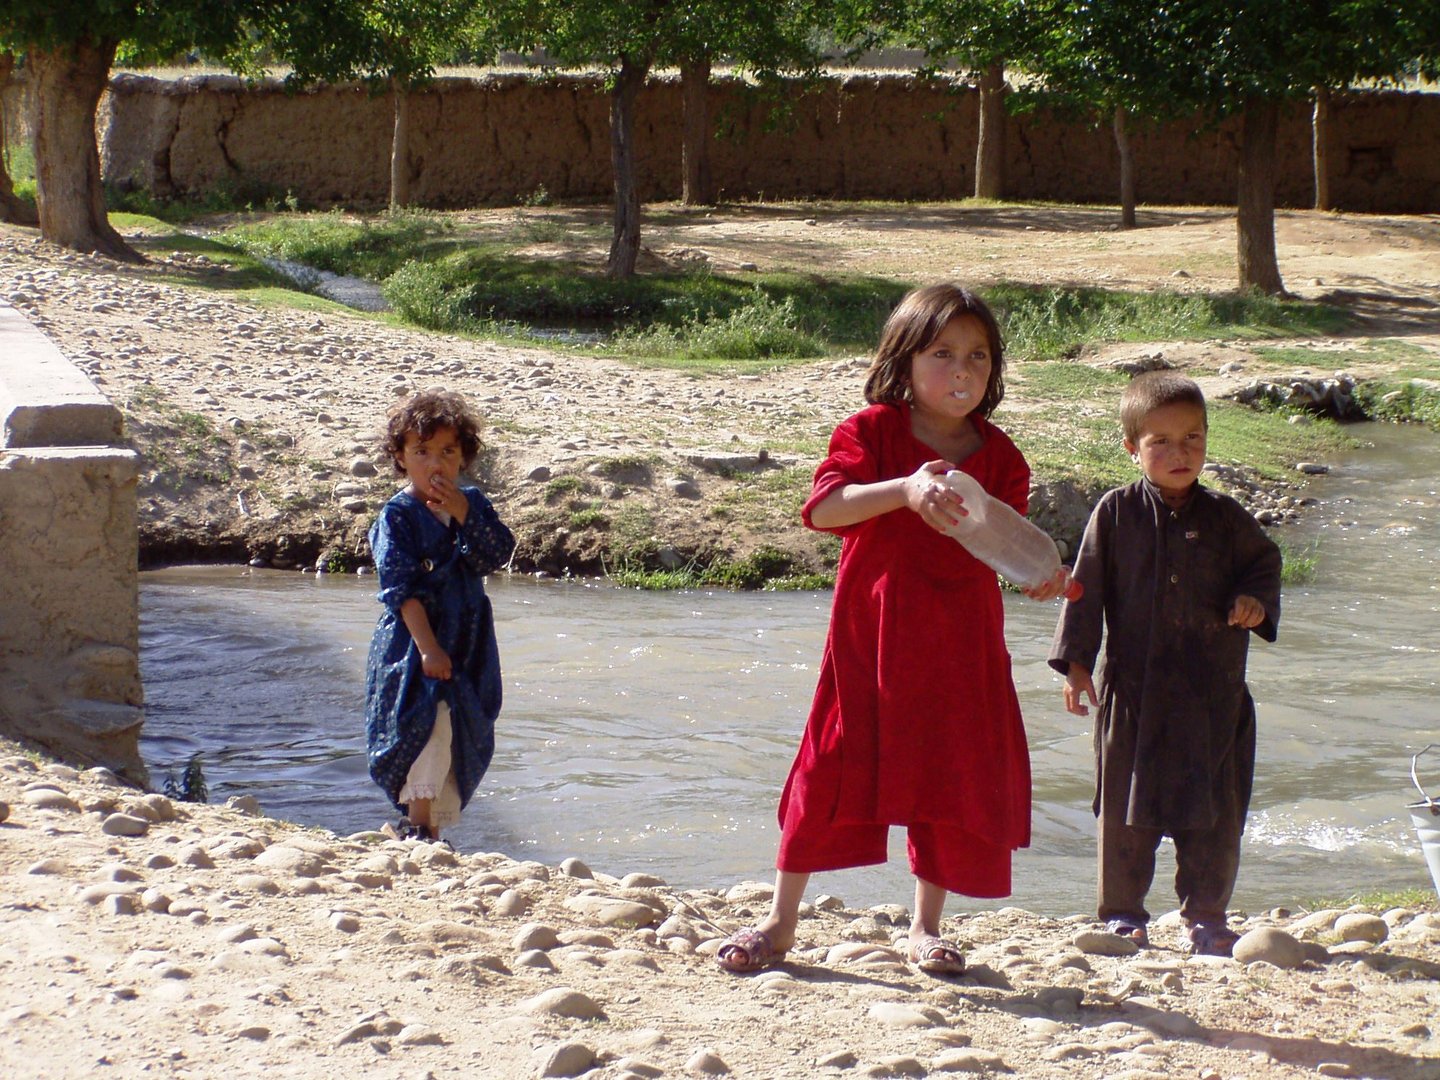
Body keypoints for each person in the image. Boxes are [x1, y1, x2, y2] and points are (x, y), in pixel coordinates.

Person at [716, 283, 1070, 975]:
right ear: (903, 361)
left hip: (960, 649)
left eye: (978, 356)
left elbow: (1008, 548)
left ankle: (924, 929)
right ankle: (781, 921)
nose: (962, 371)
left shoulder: (1001, 459)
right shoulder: (871, 432)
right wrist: (904, 489)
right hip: (867, 643)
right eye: (942, 354)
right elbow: (825, 509)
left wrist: (1041, 578)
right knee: (826, 769)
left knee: (946, 778)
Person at [1049, 370, 1281, 957]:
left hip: (1215, 696)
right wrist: (1077, 666)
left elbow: (1264, 565)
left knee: (1216, 814)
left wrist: (1253, 602)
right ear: (1132, 449)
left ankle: (1206, 915)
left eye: (1194, 439)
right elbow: (1086, 590)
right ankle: (1124, 914)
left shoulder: (1229, 519)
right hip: (1135, 695)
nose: (1181, 454)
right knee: (1125, 816)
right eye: (1162, 443)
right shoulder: (1116, 513)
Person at [365, 388, 515, 844]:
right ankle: (417, 823)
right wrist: (428, 647)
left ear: (464, 458)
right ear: (401, 457)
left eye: (448, 452)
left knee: (459, 726)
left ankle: (430, 826)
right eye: (422, 451)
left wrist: (464, 513)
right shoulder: (398, 517)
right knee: (422, 721)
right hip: (414, 642)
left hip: (467, 636)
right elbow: (400, 588)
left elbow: (498, 554)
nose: (436, 464)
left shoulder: (473, 505)